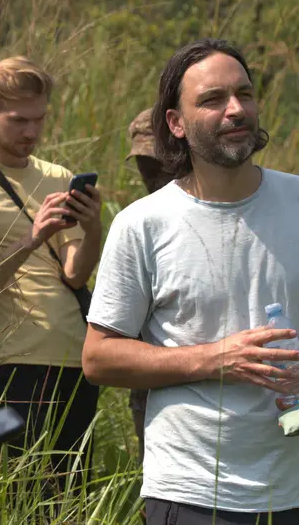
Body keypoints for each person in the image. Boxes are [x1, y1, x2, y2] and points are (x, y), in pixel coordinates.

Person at [83, 38, 299, 524]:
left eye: (245, 94)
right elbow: (98, 357)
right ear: (175, 124)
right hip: (192, 490)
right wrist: (217, 358)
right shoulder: (143, 224)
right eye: (212, 99)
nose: (236, 109)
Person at [0, 56, 103, 495]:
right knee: (21, 495)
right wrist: (31, 237)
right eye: (18, 120)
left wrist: (95, 226)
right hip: (11, 364)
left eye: (40, 119)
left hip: (74, 357)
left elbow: (74, 274)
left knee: (72, 498)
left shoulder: (57, 177)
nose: (31, 132)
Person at [125, 108, 176, 463]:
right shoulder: (139, 220)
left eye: (157, 161)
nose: (151, 172)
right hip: (149, 380)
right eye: (144, 161)